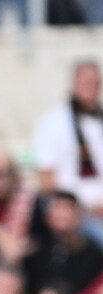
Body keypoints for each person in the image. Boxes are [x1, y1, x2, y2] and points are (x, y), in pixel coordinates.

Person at [33, 60, 103, 245]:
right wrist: (83, 208)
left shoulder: (98, 122)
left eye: (95, 83)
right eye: (85, 83)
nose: (91, 89)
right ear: (73, 85)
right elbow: (46, 180)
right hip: (77, 213)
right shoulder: (54, 123)